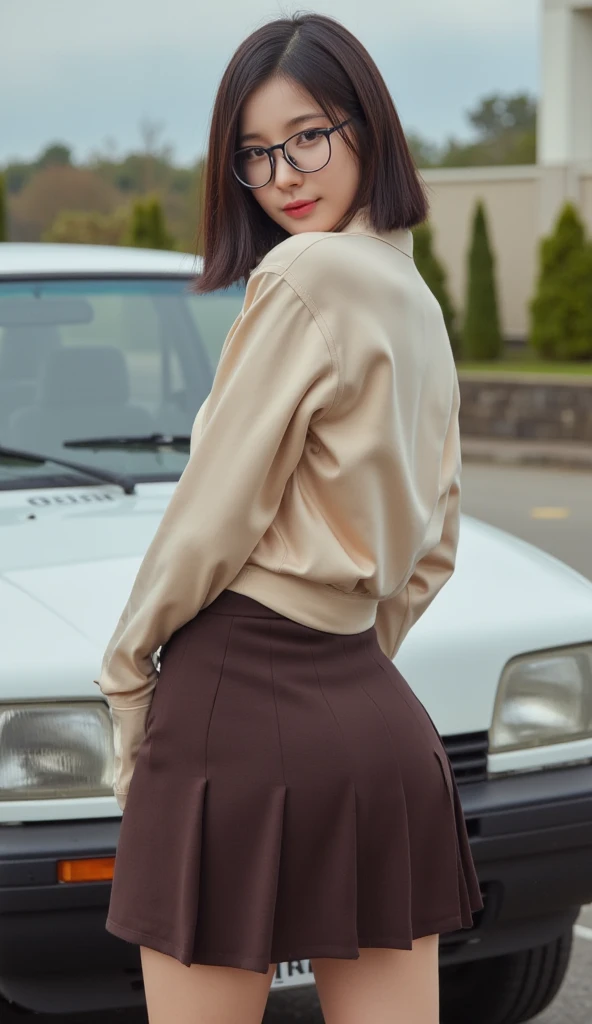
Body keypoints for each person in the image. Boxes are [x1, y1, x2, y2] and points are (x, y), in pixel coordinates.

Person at [95, 12, 483, 1023]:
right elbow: (435, 538)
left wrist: (129, 666)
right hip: (376, 718)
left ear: (366, 126)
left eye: (307, 135)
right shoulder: (414, 295)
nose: (282, 175)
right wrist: (347, 652)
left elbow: (213, 510)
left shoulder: (300, 275)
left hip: (234, 699)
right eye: (254, 154)